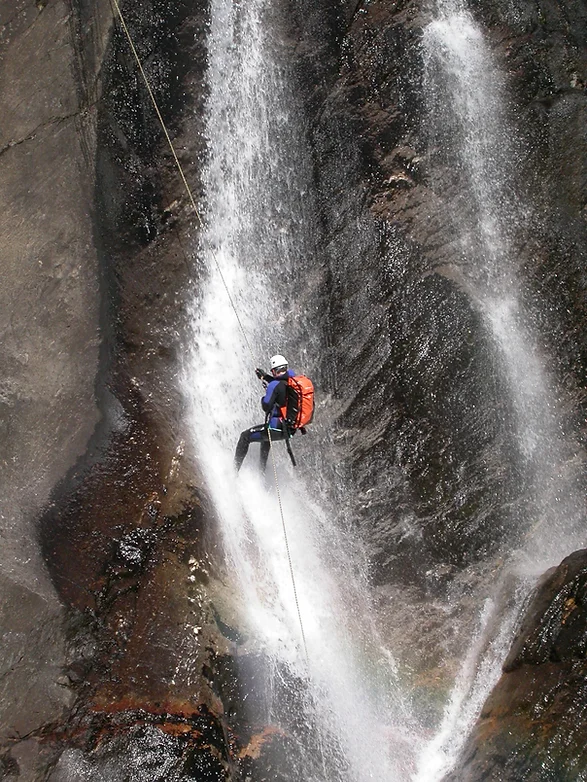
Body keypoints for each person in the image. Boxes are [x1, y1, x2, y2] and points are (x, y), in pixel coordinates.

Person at [234, 354, 295, 472]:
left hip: (277, 428)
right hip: (290, 429)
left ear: (273, 371)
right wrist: (265, 377)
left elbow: (266, 406)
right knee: (266, 438)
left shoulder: (274, 386)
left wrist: (266, 394)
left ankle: (233, 472)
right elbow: (280, 386)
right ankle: (261, 472)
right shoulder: (292, 381)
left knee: (244, 437)